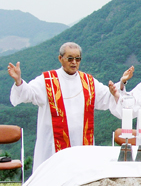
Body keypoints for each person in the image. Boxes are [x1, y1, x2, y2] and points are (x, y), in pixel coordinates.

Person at [7, 42, 132, 171]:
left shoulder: (88, 82)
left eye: (77, 59)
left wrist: (121, 83)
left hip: (81, 143)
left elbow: (108, 97)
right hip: (53, 144)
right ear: (60, 59)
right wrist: (18, 81)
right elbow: (28, 93)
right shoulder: (48, 80)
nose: (74, 62)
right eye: (70, 58)